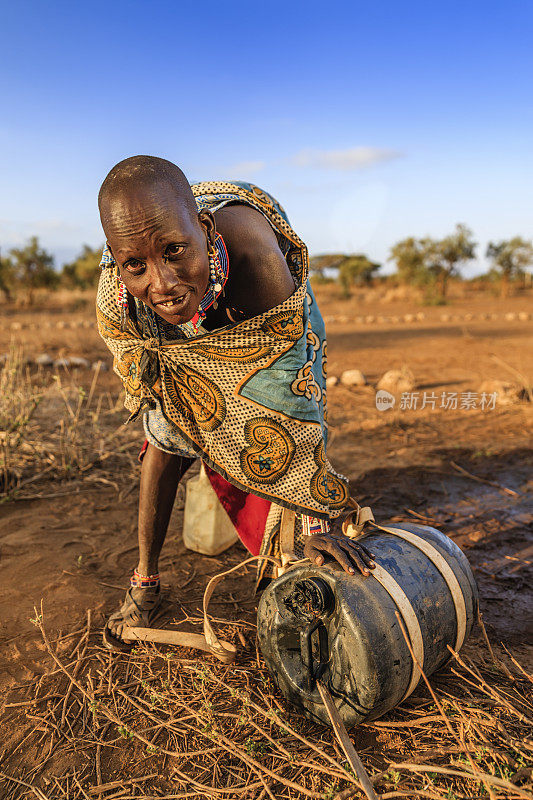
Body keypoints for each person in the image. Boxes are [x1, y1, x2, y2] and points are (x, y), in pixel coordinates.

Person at [96, 155, 375, 650]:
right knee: (164, 445)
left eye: (176, 250)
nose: (160, 282)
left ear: (203, 228)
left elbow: (290, 401)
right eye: (135, 265)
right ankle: (144, 581)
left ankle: (284, 527)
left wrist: (313, 517)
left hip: (264, 322)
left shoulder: (257, 262)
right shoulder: (120, 295)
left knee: (271, 430)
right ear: (118, 259)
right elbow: (144, 364)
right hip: (177, 339)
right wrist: (187, 411)